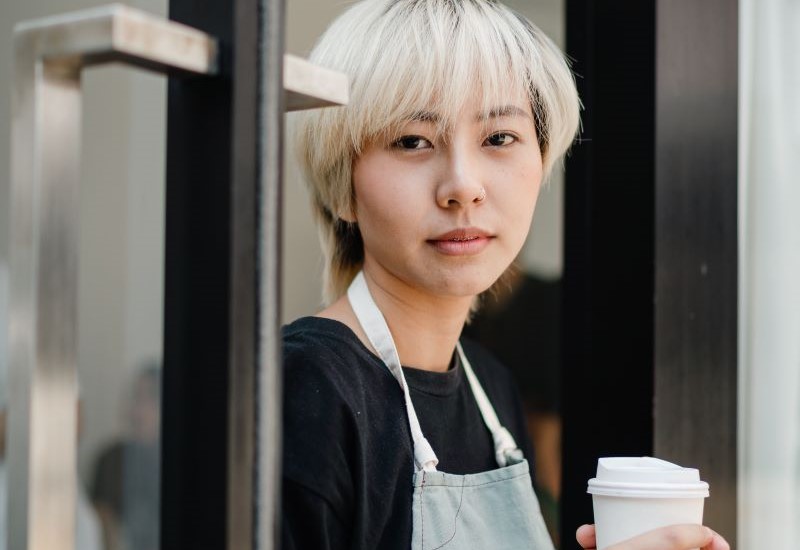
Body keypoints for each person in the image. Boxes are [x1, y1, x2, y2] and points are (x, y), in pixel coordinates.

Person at [281, 1, 730, 549]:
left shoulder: (490, 387)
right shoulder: (305, 388)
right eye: (411, 140)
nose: (463, 186)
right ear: (342, 180)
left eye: (498, 138)